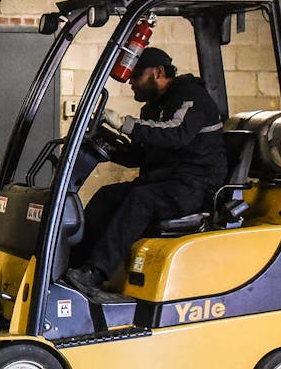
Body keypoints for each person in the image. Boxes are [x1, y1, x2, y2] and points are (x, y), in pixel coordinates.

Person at [66, 47, 227, 296]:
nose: (131, 83)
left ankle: (95, 273)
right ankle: (73, 265)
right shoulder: (151, 109)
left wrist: (125, 124)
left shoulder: (190, 96)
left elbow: (176, 134)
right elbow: (142, 155)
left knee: (140, 200)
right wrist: (108, 142)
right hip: (164, 182)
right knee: (106, 195)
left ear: (158, 72)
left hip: (195, 185)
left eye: (136, 77)